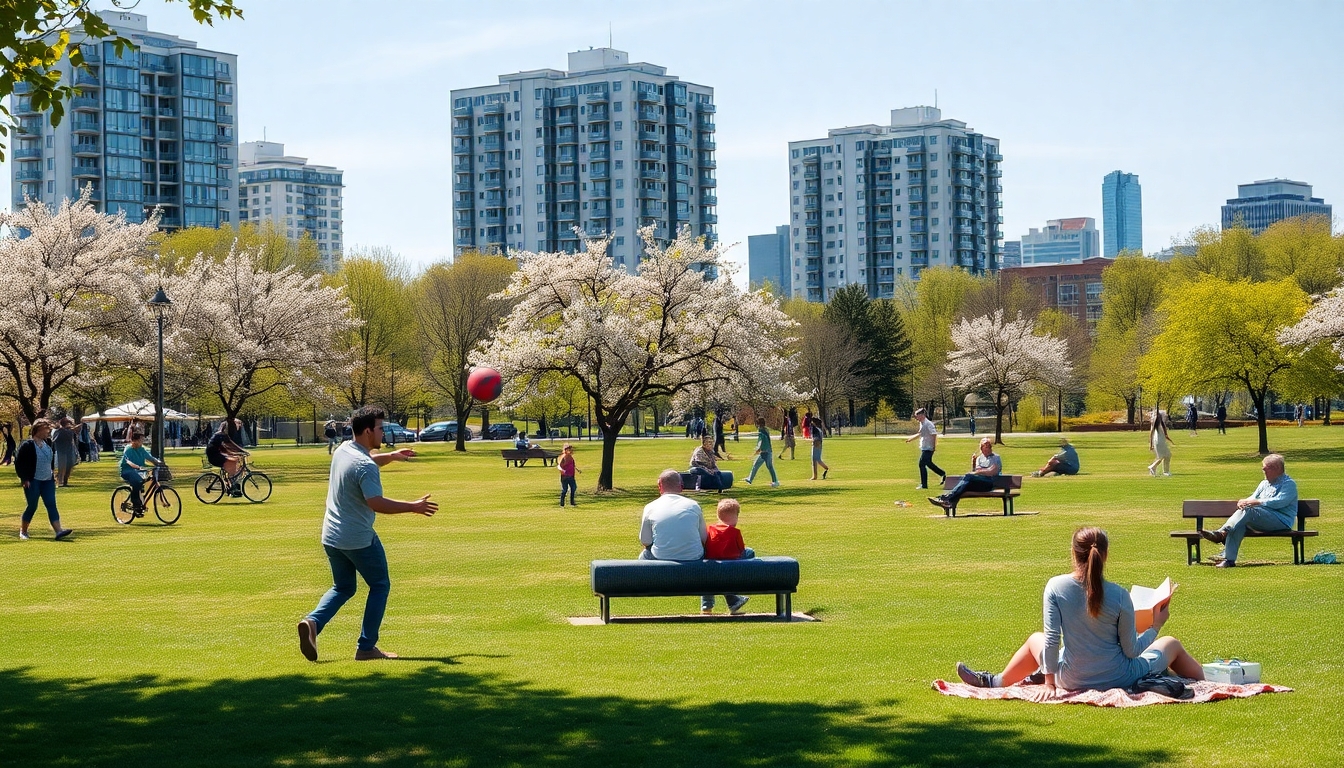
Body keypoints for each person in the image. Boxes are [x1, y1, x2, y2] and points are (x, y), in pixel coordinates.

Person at [953, 527, 1204, 698]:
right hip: (1119, 676)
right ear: (1104, 556)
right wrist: (1156, 625)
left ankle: (995, 683)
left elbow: (1051, 641)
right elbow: (1131, 651)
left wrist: (1050, 683)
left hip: (1071, 678)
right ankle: (1202, 682)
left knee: (1035, 640)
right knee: (1170, 644)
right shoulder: (1119, 595)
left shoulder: (1056, 586)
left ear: (1073, 553)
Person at [298, 405, 437, 662]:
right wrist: (413, 507)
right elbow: (376, 502)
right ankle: (366, 648)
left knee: (343, 587)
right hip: (358, 538)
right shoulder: (364, 465)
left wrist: (392, 456)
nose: (383, 433)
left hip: (331, 536)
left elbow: (365, 463)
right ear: (367, 431)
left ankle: (313, 622)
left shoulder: (344, 451)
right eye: (380, 429)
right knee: (380, 585)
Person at [1200, 454, 1298, 568]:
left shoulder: (1288, 484)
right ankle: (1229, 560)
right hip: (1262, 519)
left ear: (1276, 468)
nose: (1263, 470)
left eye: (1266, 468)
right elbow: (1253, 497)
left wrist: (1258, 502)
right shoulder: (1264, 484)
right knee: (1239, 524)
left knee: (1248, 511)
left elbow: (1280, 501)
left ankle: (1222, 533)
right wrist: (1243, 501)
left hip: (1281, 521)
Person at [15, 419, 73, 541]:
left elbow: (50, 461)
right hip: (33, 480)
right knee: (32, 506)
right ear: (38, 430)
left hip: (47, 480)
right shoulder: (27, 445)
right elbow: (19, 463)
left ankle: (58, 531)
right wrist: (25, 479)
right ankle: (23, 531)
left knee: (51, 504)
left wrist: (53, 474)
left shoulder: (48, 443)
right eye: (46, 429)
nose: (48, 432)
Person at [701, 498, 755, 615]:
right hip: (731, 565)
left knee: (709, 577)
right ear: (735, 516)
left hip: (711, 564)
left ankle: (707, 607)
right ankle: (734, 597)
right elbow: (741, 549)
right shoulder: (734, 532)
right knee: (750, 552)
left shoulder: (709, 529)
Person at [928, 437, 1000, 510]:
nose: (989, 448)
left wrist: (978, 472)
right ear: (981, 448)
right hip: (979, 483)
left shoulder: (996, 457)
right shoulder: (979, 459)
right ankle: (948, 501)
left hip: (990, 483)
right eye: (986, 446)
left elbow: (992, 472)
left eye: (990, 446)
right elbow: (976, 472)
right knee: (965, 484)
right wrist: (974, 463)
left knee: (968, 477)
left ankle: (945, 498)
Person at [119, 429, 163, 515]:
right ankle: (135, 503)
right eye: (140, 440)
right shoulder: (128, 450)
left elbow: (150, 458)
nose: (142, 442)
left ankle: (140, 501)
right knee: (137, 481)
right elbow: (128, 461)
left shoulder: (142, 450)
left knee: (142, 480)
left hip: (139, 472)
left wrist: (159, 463)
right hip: (127, 471)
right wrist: (137, 467)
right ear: (134, 441)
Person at [905, 408, 945, 490]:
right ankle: (942, 474)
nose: (916, 418)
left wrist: (933, 447)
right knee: (928, 463)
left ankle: (924, 485)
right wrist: (910, 439)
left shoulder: (928, 424)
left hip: (929, 447)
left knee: (921, 464)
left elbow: (934, 435)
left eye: (917, 416)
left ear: (922, 415)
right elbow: (920, 433)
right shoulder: (922, 423)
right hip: (924, 447)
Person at [206, 421, 248, 495]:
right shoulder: (221, 435)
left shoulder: (220, 435)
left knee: (234, 460)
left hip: (215, 454)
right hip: (214, 456)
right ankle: (233, 486)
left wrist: (237, 453)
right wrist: (242, 451)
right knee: (233, 462)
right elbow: (231, 445)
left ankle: (230, 486)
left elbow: (226, 448)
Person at [743, 418, 779, 487]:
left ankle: (775, 481)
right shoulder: (765, 429)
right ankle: (750, 479)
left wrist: (759, 449)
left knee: (770, 467)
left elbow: (763, 440)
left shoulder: (762, 430)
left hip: (766, 452)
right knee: (756, 465)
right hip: (765, 452)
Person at [53, 417, 80, 487]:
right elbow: (55, 440)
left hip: (69, 451)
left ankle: (65, 481)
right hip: (62, 452)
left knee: (69, 467)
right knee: (62, 467)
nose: (70, 425)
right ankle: (59, 481)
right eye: (68, 423)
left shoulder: (70, 431)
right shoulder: (59, 431)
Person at [1147, 409, 1173, 477]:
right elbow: (1151, 434)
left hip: (1160, 441)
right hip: (1159, 441)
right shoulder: (1155, 423)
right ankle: (1154, 468)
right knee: (1164, 456)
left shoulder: (1160, 423)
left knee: (1165, 456)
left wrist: (1169, 440)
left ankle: (1157, 469)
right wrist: (1151, 444)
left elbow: (1164, 434)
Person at [809, 413, 829, 480]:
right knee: (818, 459)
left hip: (816, 444)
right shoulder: (819, 429)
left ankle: (815, 476)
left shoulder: (815, 429)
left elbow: (815, 438)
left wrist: (811, 441)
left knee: (814, 460)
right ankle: (825, 468)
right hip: (819, 444)